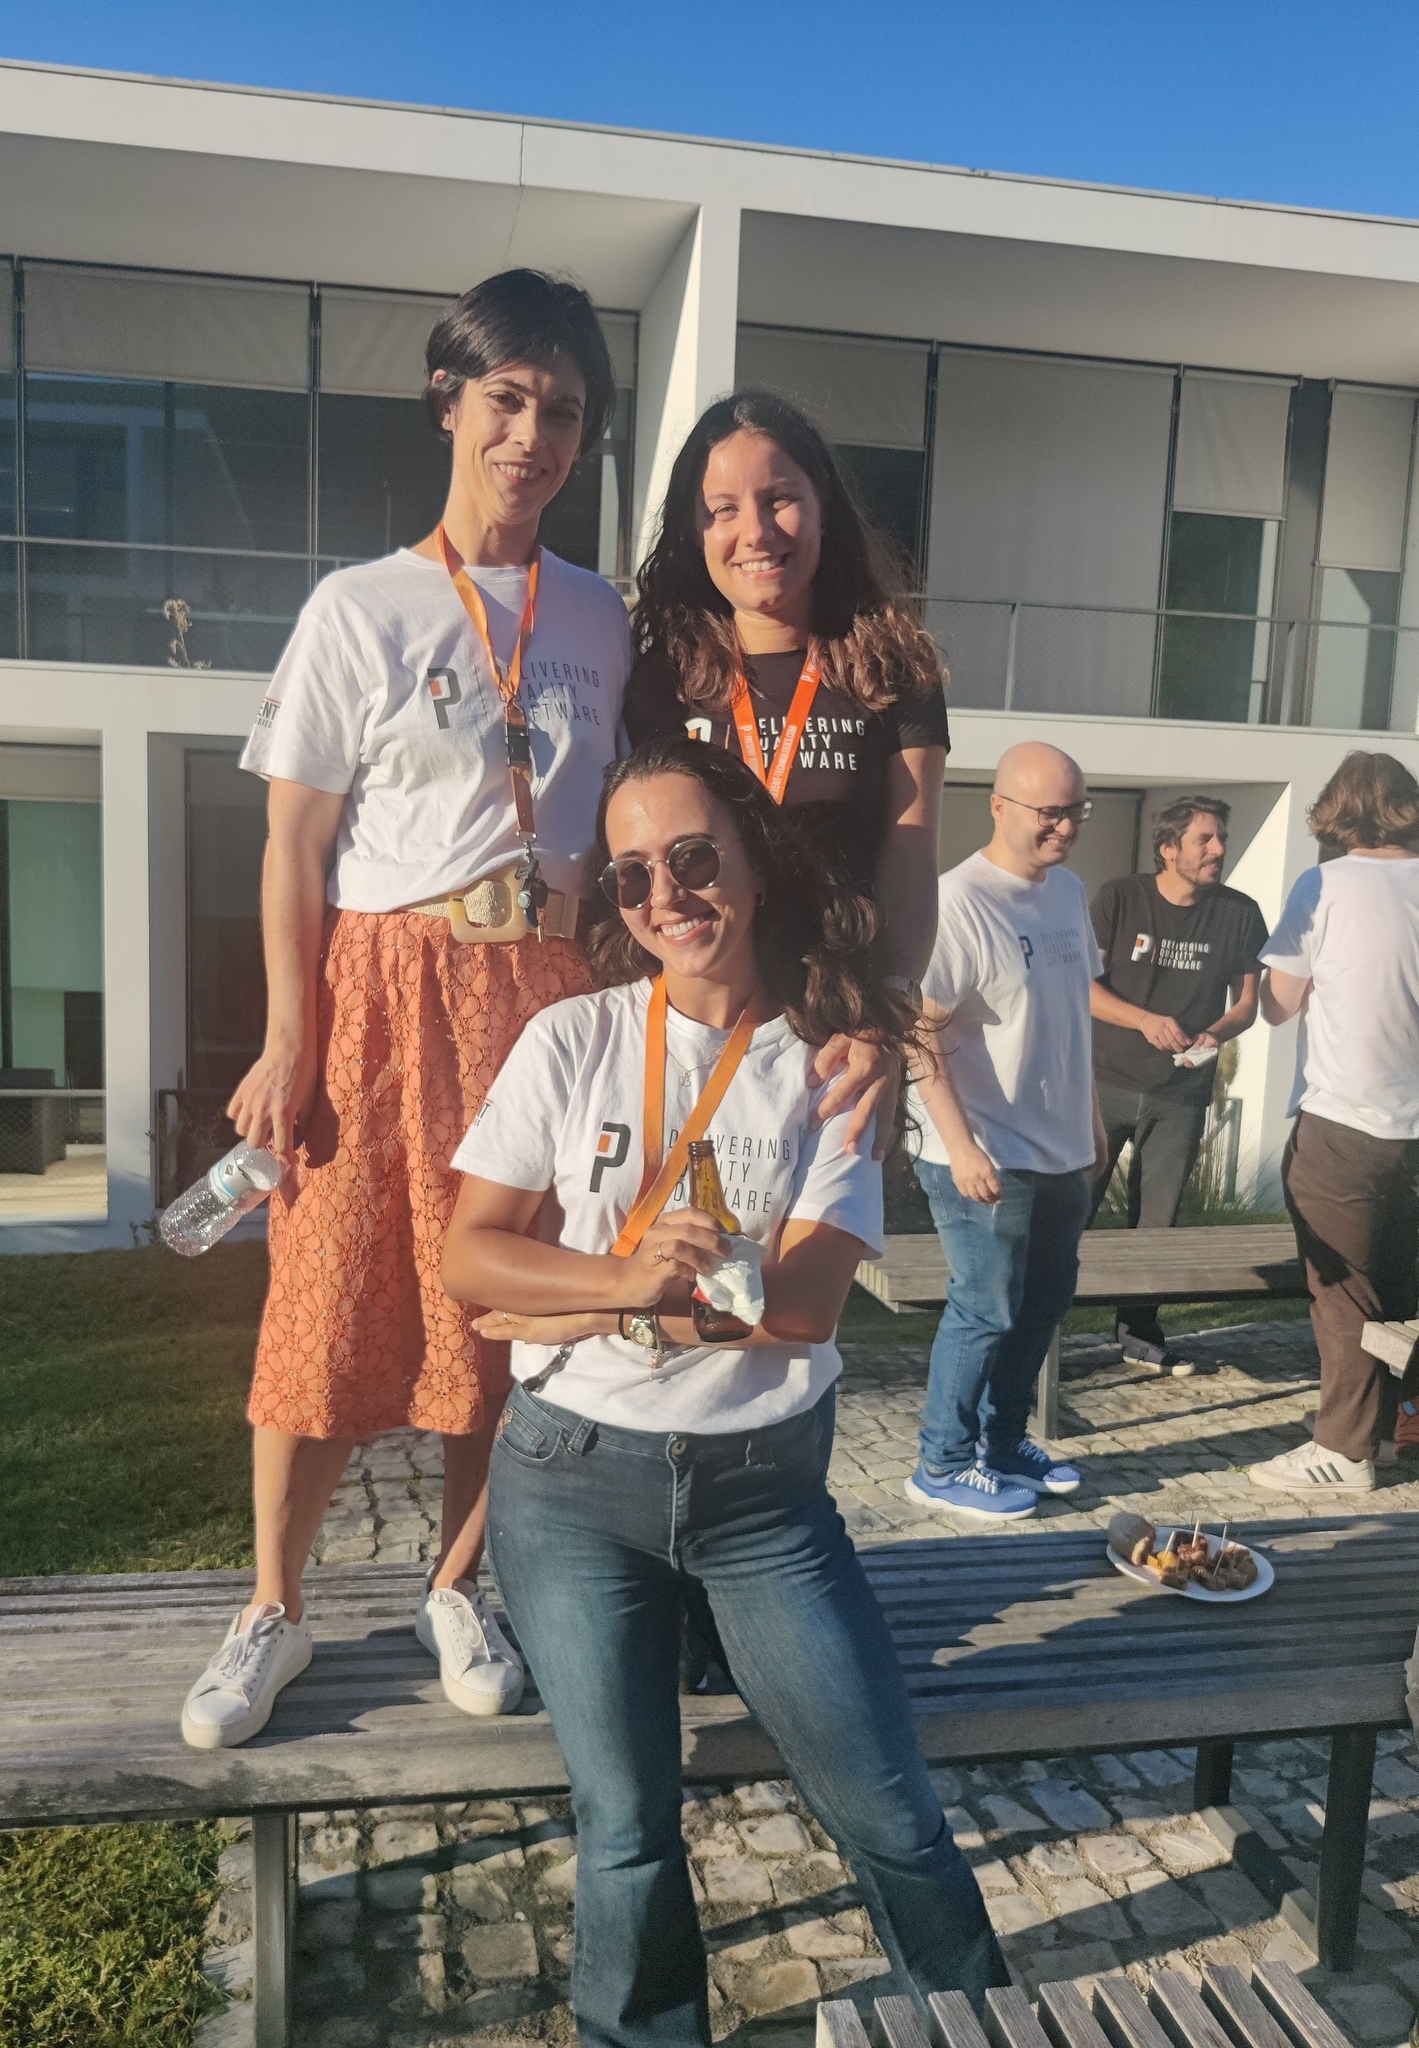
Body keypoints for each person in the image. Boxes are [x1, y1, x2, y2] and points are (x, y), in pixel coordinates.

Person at [442, 736, 1007, 2041]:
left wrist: (576, 1302)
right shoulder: (572, 1037)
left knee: (886, 1803)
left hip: (762, 1499)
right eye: (634, 873)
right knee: (626, 1824)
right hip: (569, 1486)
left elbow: (804, 1308)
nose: (667, 893)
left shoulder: (830, 1058)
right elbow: (467, 1253)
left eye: (695, 856)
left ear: (754, 863)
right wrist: (628, 1281)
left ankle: (978, 2023)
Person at [178, 269, 633, 1748]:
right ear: (450, 404)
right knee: (322, 1299)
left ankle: (457, 1583)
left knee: (505, 1306)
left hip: (544, 995)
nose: (533, 435)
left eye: (563, 409)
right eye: (508, 398)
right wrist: (287, 1036)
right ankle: (272, 1607)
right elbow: (293, 846)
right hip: (382, 990)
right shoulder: (358, 606)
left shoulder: (600, 617)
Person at [625, 389, 949, 1000]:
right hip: (698, 1012)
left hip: (842, 1013)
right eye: (723, 509)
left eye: (779, 499)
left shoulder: (895, 670)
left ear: (823, 507)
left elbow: (910, 860)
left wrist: (892, 1004)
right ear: (694, 531)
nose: (756, 532)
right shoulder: (660, 679)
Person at [905, 742, 1106, 1520]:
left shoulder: (1068, 892)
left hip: (1061, 1148)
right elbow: (916, 1029)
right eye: (1050, 813)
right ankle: (941, 1463)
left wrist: (1090, 1122)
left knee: (1043, 1305)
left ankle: (1004, 1444)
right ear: (999, 806)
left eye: (1076, 811)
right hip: (985, 1150)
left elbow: (1071, 1013)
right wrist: (959, 1146)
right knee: (985, 1309)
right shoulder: (959, 902)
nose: (1066, 828)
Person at [1249, 751, 1419, 1498]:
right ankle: (1400, 1425)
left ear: (1339, 810)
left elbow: (1278, 1005)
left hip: (1346, 1121)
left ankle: (1344, 1451)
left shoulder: (1325, 884)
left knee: (1346, 1293)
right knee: (1405, 1285)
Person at [1088, 796, 1267, 1372]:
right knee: (1071, 1207)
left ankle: (1138, 1333)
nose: (1218, 849)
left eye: (1221, 838)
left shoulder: (1240, 912)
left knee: (1156, 1221)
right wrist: (1143, 1020)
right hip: (1102, 1082)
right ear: (1168, 848)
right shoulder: (1120, 897)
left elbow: (1246, 1005)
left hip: (1181, 1094)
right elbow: (1082, 987)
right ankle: (1038, 1328)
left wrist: (1215, 1033)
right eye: (1204, 840)